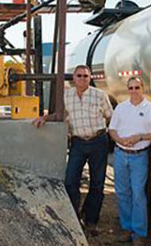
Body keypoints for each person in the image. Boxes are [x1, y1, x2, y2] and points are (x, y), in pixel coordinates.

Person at [33, 65, 113, 229]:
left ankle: (91, 219)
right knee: (70, 180)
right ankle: (74, 217)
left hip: (98, 141)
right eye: (79, 76)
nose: (82, 78)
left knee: (97, 183)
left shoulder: (99, 95)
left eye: (85, 76)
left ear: (90, 77)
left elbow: (110, 116)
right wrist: (44, 118)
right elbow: (60, 114)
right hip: (78, 143)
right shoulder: (66, 96)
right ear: (74, 78)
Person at [109, 77, 151, 246]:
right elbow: (112, 129)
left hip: (139, 156)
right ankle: (127, 228)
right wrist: (119, 140)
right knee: (122, 192)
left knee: (138, 194)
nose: (134, 91)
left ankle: (139, 232)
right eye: (131, 88)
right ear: (128, 90)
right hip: (120, 154)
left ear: (143, 88)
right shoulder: (121, 108)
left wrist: (140, 137)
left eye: (137, 87)